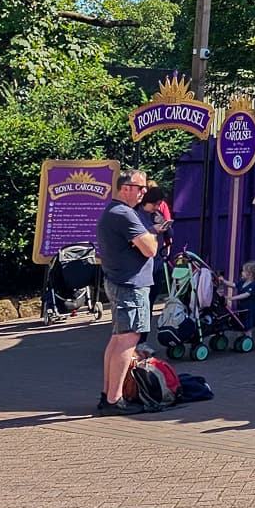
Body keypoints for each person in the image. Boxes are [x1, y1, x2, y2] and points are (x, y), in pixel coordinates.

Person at [94, 170, 160, 415]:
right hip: (130, 285)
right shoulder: (124, 214)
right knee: (128, 340)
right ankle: (114, 399)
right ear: (125, 188)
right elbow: (150, 249)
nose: (144, 192)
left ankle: (108, 394)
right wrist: (152, 234)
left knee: (118, 338)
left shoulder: (115, 212)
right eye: (139, 187)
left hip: (120, 282)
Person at [139, 185, 174, 302]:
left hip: (157, 262)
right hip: (142, 264)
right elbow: (136, 235)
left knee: (153, 296)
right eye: (154, 204)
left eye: (159, 204)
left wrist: (167, 227)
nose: (157, 207)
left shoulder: (158, 214)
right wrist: (153, 229)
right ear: (147, 201)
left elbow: (170, 234)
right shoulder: (136, 214)